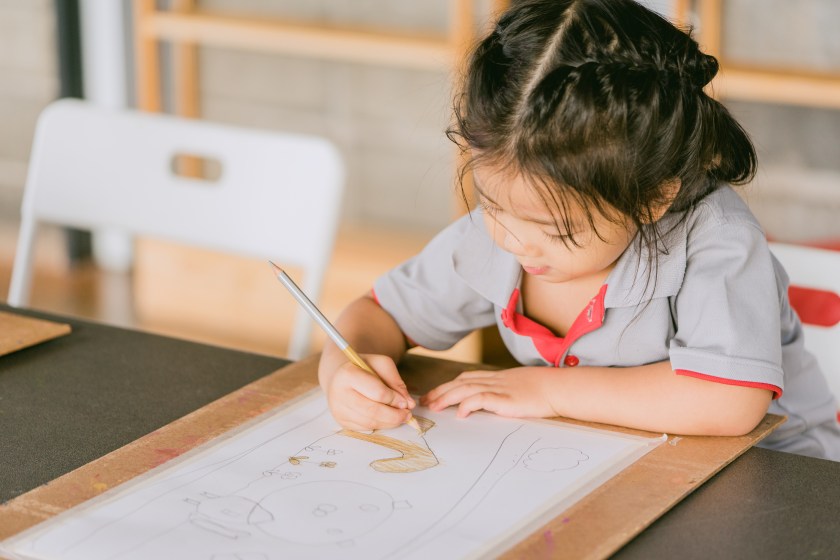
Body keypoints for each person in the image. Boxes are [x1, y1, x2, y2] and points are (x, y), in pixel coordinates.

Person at [318, 0, 840, 460]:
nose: (514, 240)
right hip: (624, 463)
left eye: (559, 230)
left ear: (652, 198)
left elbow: (727, 401)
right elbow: (376, 314)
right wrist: (348, 373)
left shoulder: (717, 242)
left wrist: (548, 391)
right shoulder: (504, 230)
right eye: (492, 203)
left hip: (778, 474)